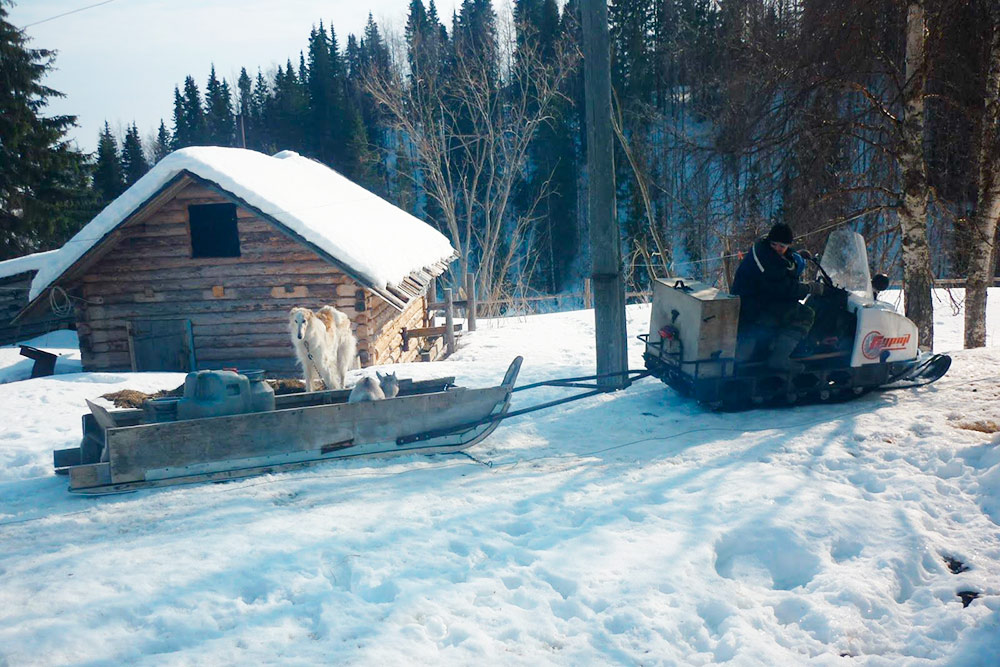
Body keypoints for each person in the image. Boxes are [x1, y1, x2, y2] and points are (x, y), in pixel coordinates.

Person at [730, 223, 825, 371]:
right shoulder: (766, 261)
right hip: (754, 307)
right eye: (775, 244)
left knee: (791, 307)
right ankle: (779, 358)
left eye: (783, 245)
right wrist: (810, 288)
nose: (778, 248)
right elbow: (784, 288)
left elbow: (782, 273)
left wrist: (796, 258)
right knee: (805, 314)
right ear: (769, 242)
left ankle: (777, 346)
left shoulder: (765, 251)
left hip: (758, 300)